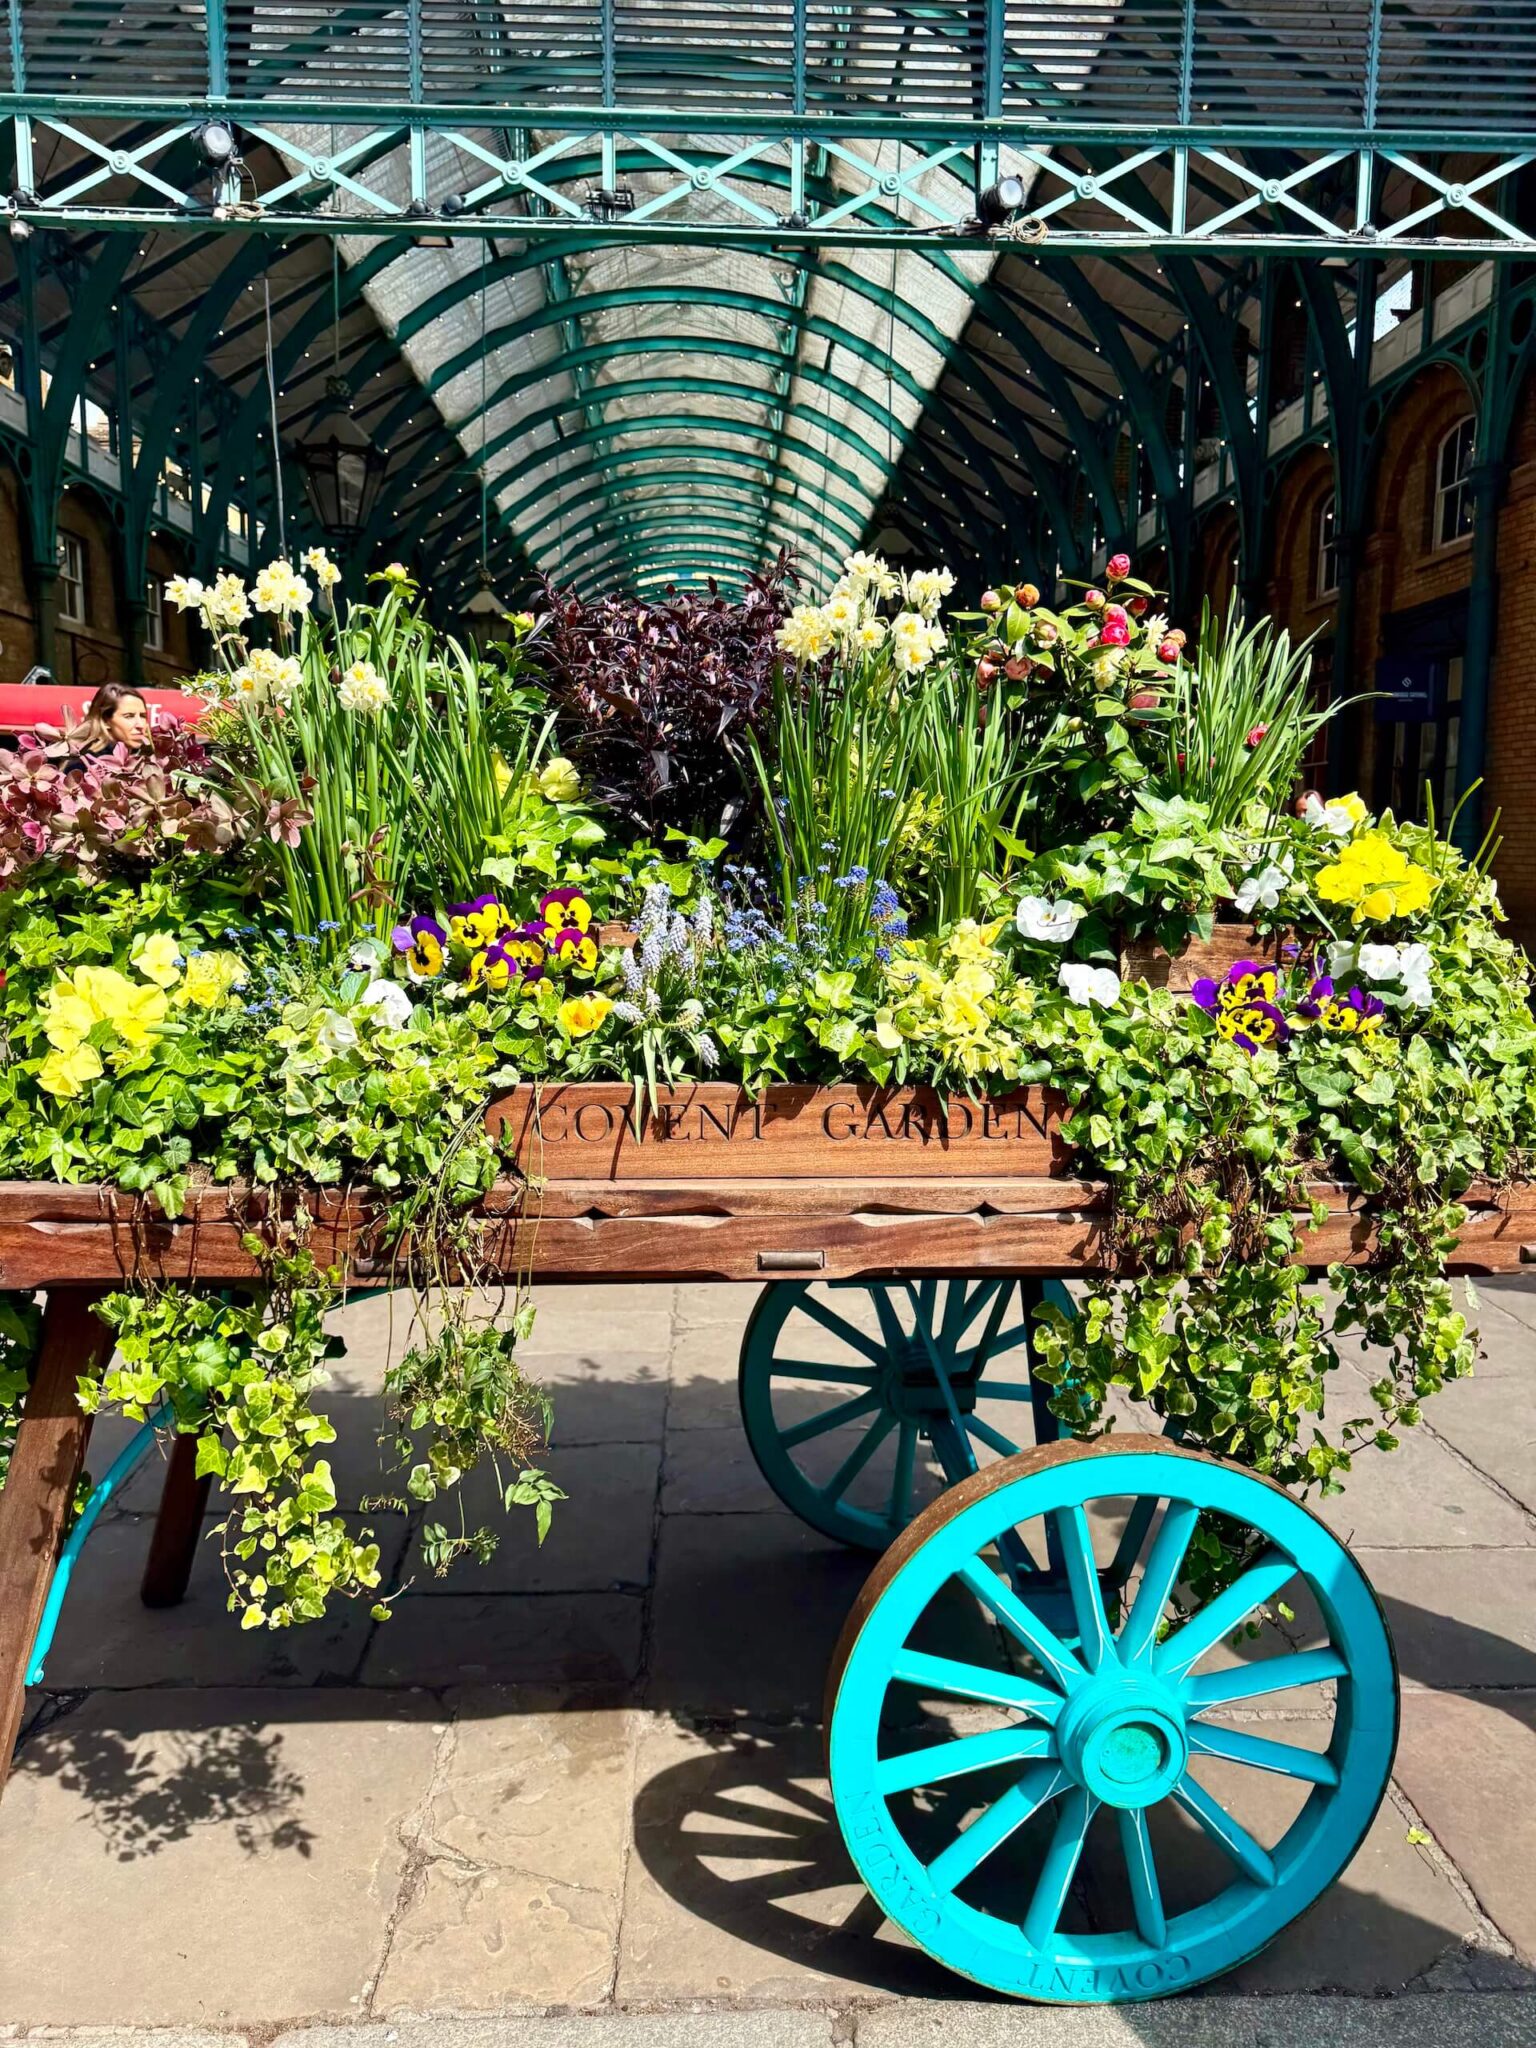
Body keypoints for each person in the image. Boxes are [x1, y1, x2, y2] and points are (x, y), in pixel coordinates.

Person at [70, 683, 151, 757]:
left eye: (142, 716)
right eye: (129, 716)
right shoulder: (86, 763)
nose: (140, 725)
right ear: (105, 721)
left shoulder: (147, 760)